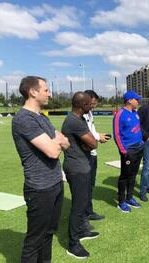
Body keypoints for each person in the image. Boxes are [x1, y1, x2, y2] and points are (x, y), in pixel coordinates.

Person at [12, 76, 70, 262]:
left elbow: (65, 143)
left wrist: (58, 141)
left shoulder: (41, 117)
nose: (49, 94)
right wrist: (57, 141)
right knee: (35, 239)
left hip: (55, 183)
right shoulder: (23, 119)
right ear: (33, 92)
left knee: (49, 233)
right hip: (39, 189)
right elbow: (54, 151)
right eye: (46, 90)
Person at [62, 92, 99, 259]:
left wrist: (88, 144)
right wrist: (89, 143)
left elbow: (89, 144)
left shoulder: (79, 119)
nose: (90, 106)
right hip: (77, 169)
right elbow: (93, 142)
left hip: (81, 165)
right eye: (88, 104)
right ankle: (73, 244)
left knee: (83, 203)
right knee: (78, 206)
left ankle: (82, 231)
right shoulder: (74, 121)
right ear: (81, 105)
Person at [113, 91, 144, 212]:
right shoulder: (120, 114)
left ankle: (129, 197)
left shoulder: (136, 113)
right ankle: (121, 201)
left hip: (138, 148)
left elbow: (138, 129)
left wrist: (141, 142)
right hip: (128, 150)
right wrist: (123, 150)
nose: (138, 101)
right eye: (137, 99)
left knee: (133, 174)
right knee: (125, 176)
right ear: (130, 100)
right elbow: (117, 134)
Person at [83, 90, 108, 222]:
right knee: (85, 187)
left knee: (90, 185)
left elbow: (91, 131)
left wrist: (99, 135)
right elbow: (85, 134)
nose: (94, 105)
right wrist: (98, 137)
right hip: (85, 156)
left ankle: (88, 211)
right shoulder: (80, 115)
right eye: (93, 102)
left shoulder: (89, 113)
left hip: (92, 153)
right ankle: (83, 216)